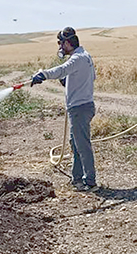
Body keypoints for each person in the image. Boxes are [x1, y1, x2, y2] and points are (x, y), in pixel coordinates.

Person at [30, 27, 98, 191]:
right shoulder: (85, 56)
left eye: (61, 43)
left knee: (82, 146)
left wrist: (43, 75)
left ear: (68, 43)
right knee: (75, 145)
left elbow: (61, 69)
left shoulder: (77, 58)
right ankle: (77, 179)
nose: (60, 47)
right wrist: (69, 81)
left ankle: (90, 181)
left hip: (80, 109)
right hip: (81, 107)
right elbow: (90, 76)